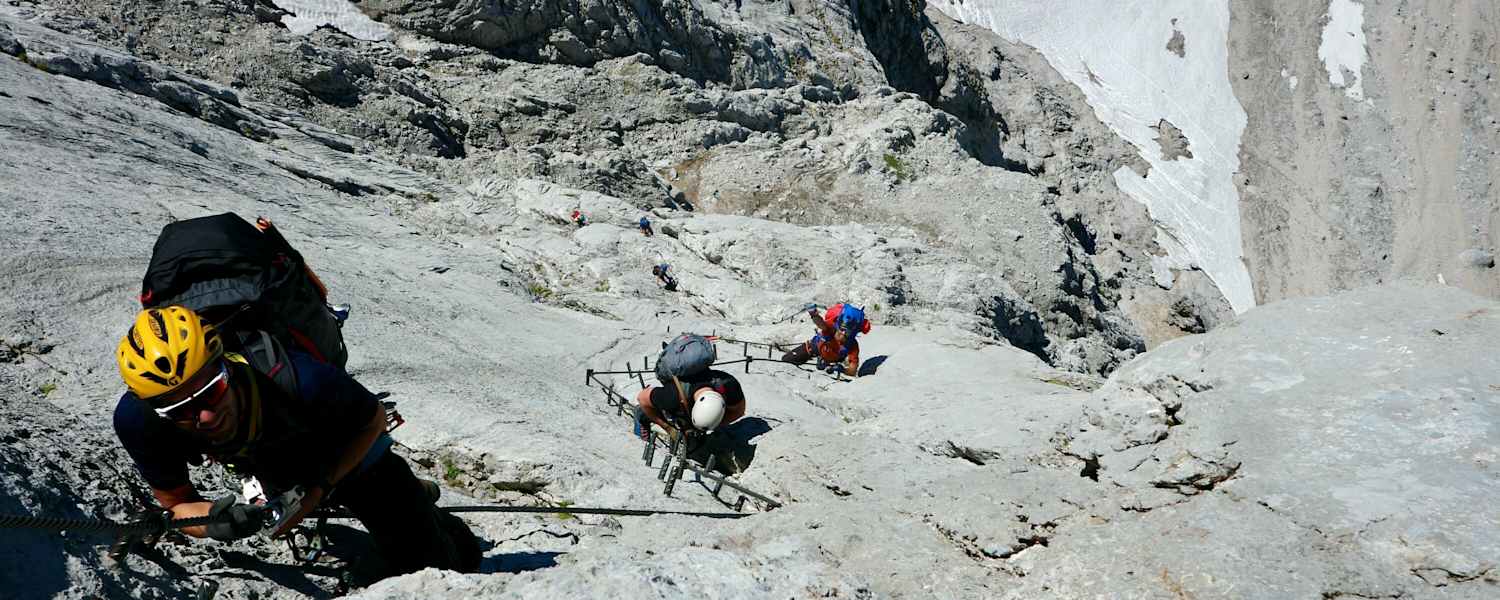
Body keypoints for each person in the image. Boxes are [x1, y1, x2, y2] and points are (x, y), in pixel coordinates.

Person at [112, 306, 479, 577]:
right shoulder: (141, 421)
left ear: (225, 365)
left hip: (350, 448)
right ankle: (411, 501)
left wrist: (318, 489)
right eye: (180, 409)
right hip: (271, 459)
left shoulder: (300, 379)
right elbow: (177, 505)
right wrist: (214, 522)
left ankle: (423, 505)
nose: (204, 416)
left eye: (212, 391)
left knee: (445, 563)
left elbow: (372, 420)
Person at [633, 368, 746, 445]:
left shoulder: (730, 386)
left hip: (697, 391)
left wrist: (715, 424)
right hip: (676, 394)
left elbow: (739, 411)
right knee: (664, 413)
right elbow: (642, 398)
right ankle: (642, 418)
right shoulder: (671, 398)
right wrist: (668, 428)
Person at [780, 302, 870, 377]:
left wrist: (842, 369)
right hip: (814, 348)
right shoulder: (831, 328)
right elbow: (821, 324)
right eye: (841, 329)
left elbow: (853, 370)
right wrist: (814, 314)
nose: (842, 333)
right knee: (786, 360)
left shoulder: (852, 345)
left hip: (832, 360)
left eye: (847, 332)